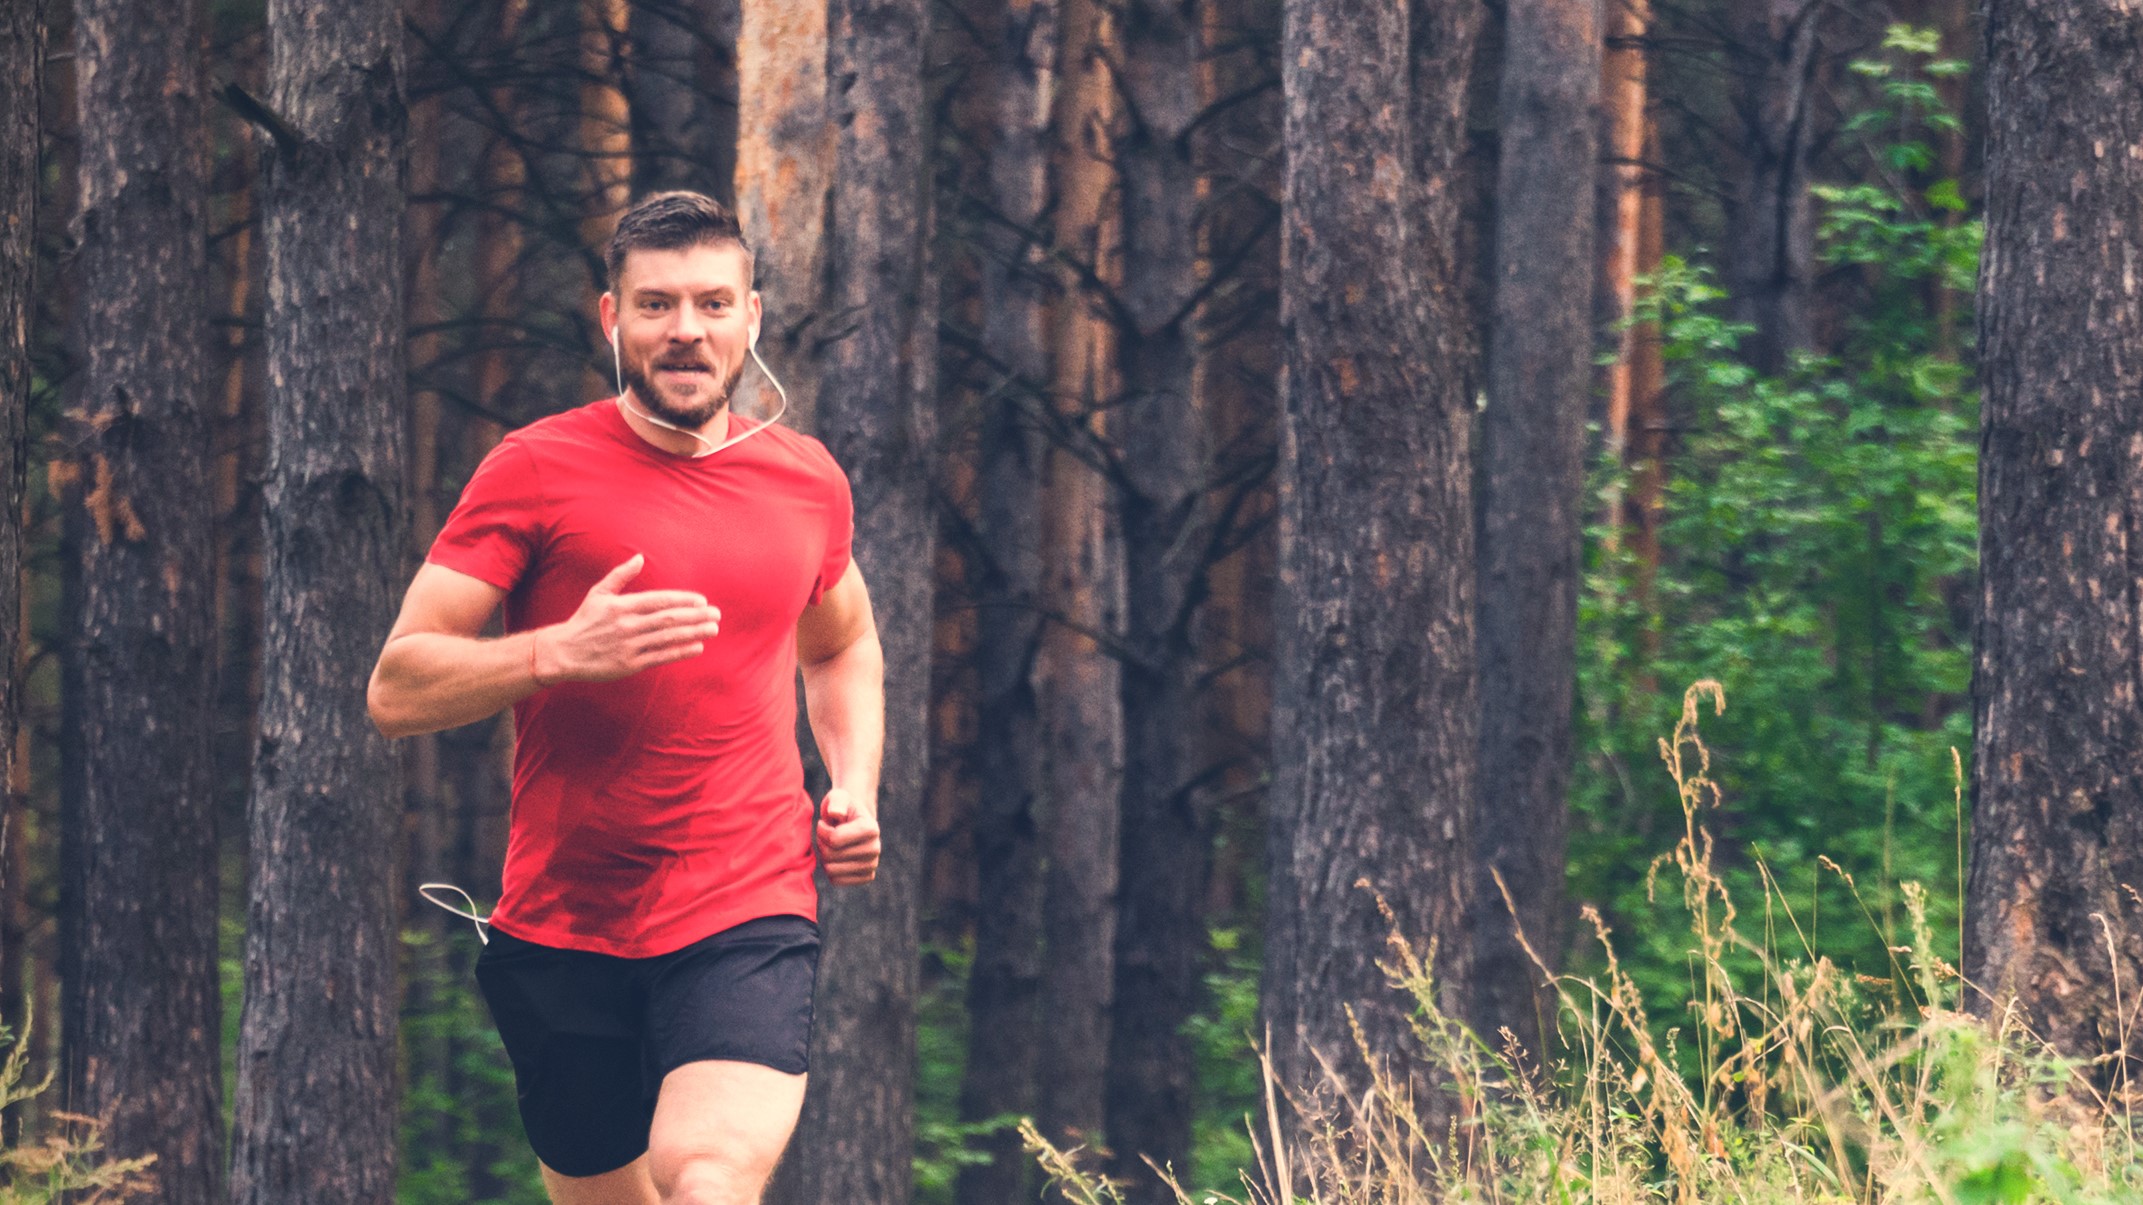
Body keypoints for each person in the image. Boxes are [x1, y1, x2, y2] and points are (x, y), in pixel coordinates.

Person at [367, 191, 883, 1205]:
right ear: (612, 318)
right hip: (563, 923)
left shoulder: (807, 481)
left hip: (748, 903)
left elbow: (843, 640)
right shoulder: (536, 467)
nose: (685, 329)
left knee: (707, 1177)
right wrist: (557, 649)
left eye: (710, 302)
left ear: (752, 317)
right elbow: (398, 685)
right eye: (655, 305)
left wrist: (853, 782)